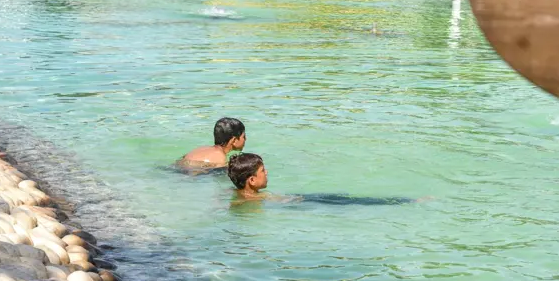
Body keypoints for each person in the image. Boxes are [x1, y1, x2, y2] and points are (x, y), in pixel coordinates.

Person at [227, 153, 428, 205]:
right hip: (303, 202)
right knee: (357, 202)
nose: (267, 173)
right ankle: (408, 201)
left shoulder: (235, 194)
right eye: (263, 171)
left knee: (342, 197)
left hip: (301, 200)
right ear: (252, 180)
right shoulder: (261, 198)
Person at [178, 117, 246, 169]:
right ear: (234, 140)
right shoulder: (220, 158)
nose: (245, 139)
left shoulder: (201, 149)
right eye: (243, 136)